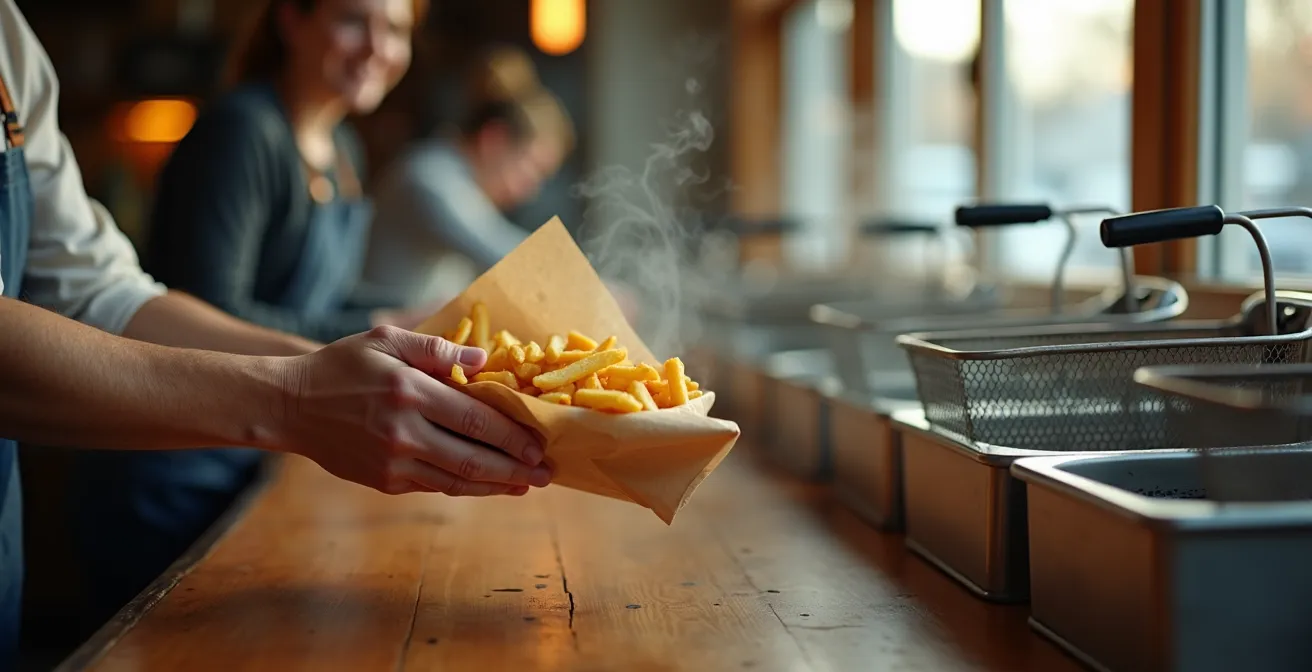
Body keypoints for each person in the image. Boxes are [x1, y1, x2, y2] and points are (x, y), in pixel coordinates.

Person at [67, 0, 450, 629]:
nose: (378, 47)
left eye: (397, 30)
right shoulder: (244, 132)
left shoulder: (342, 147)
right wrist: (388, 320)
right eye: (355, 21)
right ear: (292, 21)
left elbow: (314, 303)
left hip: (251, 456)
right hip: (168, 469)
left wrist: (404, 315)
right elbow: (212, 309)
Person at [352, 46, 575, 309]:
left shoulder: (456, 181)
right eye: (532, 169)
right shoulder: (429, 178)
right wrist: (592, 287)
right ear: (494, 140)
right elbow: (505, 254)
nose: (531, 188)